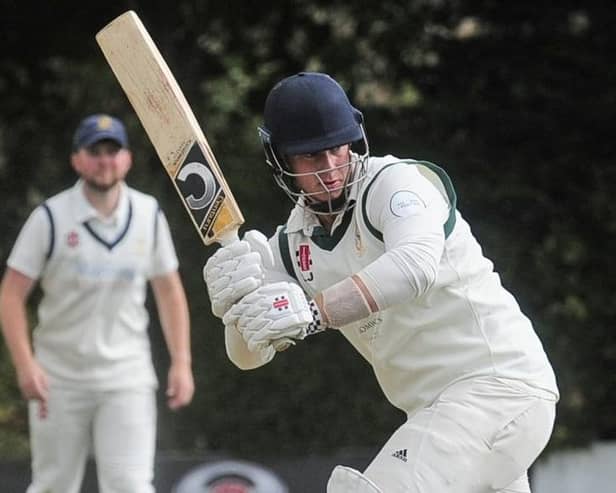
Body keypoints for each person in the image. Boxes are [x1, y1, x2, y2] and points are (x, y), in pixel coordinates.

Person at [203, 72, 559, 493]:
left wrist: (314, 312)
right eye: (311, 158)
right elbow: (249, 358)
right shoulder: (291, 246)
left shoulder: (397, 185)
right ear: (281, 160)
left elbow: (413, 267)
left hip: (496, 390)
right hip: (443, 416)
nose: (331, 169)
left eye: (338, 148)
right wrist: (235, 304)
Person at [0, 114, 195, 493]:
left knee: (130, 485)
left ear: (127, 159)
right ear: (77, 160)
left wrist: (182, 362)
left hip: (127, 375)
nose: (104, 161)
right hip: (58, 376)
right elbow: (11, 293)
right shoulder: (51, 218)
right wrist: (25, 365)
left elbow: (169, 290)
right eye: (95, 152)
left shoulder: (147, 214)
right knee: (54, 485)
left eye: (112, 151)